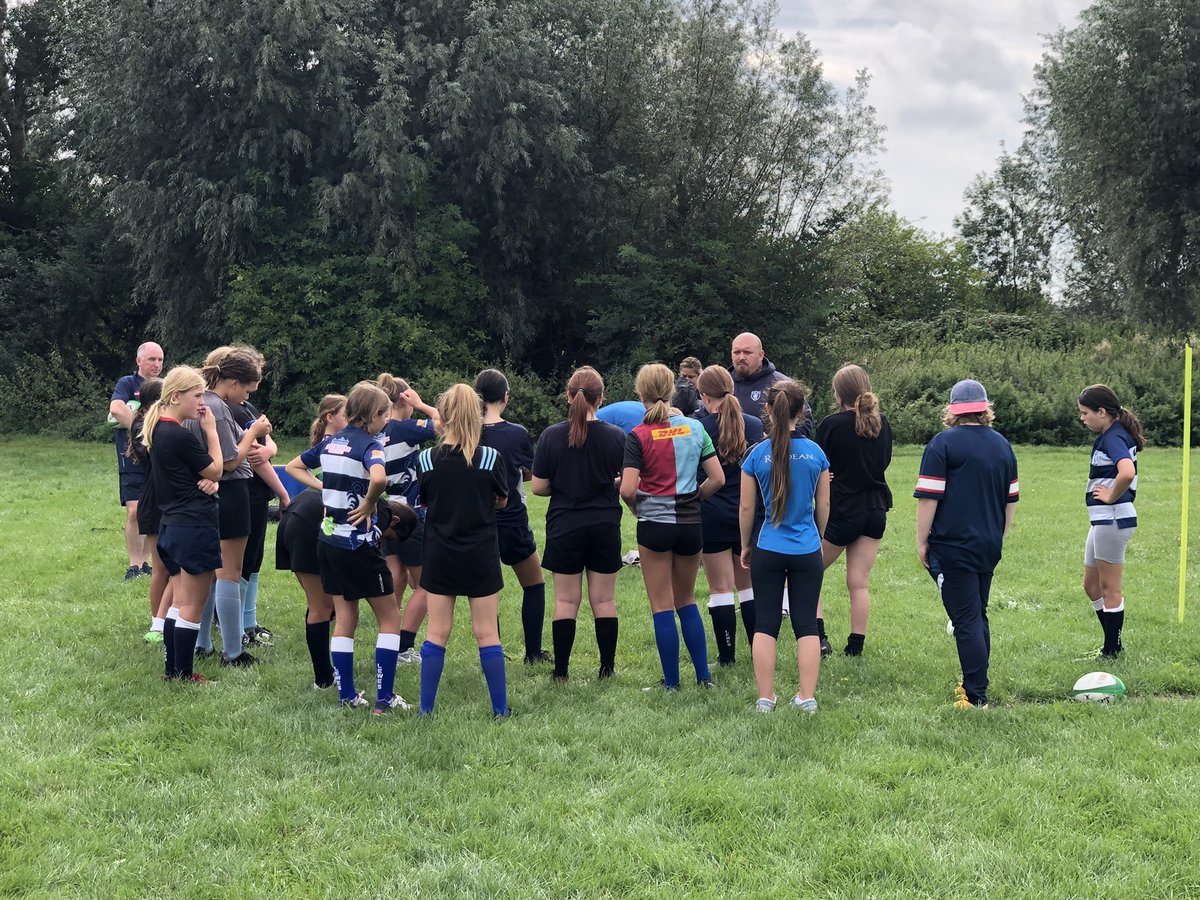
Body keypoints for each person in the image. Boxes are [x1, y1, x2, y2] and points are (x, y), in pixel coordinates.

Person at [291, 381, 410, 714]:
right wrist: (371, 502)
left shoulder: (330, 443)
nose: (386, 421)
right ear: (372, 415)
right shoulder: (371, 445)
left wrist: (324, 487)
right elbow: (379, 478)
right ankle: (385, 699)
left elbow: (295, 466)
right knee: (390, 617)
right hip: (359, 544)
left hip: (327, 542)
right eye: (385, 415)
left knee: (345, 618)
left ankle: (347, 695)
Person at [914, 380, 1019, 709]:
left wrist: (921, 541)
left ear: (953, 411)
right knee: (976, 614)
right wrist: (998, 535)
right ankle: (975, 683)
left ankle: (976, 695)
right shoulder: (1002, 445)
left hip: (953, 544)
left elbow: (929, 499)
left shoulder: (942, 444)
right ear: (985, 409)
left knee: (966, 620)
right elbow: (1011, 500)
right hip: (988, 543)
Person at [619, 363, 725, 691]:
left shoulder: (638, 435)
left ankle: (672, 683)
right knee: (687, 600)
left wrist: (637, 507)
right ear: (672, 392)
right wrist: (695, 498)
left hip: (655, 526)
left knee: (661, 605)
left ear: (641, 394)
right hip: (691, 524)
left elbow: (627, 489)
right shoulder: (695, 428)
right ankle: (704, 677)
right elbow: (717, 478)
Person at [415, 384, 512, 717]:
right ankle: (500, 710)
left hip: (440, 554)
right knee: (487, 632)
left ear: (442, 417)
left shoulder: (426, 460)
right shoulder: (490, 458)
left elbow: (426, 502)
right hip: (480, 554)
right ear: (477, 416)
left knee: (436, 632)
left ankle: (425, 710)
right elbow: (502, 500)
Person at [739, 380, 830, 713]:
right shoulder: (816, 454)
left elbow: (746, 508)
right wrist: (818, 537)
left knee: (765, 624)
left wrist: (745, 545)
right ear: (801, 410)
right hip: (806, 548)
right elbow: (824, 505)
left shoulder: (756, 454)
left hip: (768, 547)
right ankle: (807, 698)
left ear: (767, 410)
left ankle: (766, 698)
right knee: (806, 625)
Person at [531, 366, 626, 683]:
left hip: (565, 525)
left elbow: (538, 487)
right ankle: (607, 669)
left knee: (565, 601)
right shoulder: (616, 436)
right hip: (604, 524)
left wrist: (563, 485)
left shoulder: (550, 436)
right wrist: (608, 483)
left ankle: (561, 672)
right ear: (601, 398)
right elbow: (626, 481)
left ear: (568, 396)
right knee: (604, 601)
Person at [183, 348, 272, 668]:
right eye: (247, 391)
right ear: (233, 383)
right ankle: (233, 651)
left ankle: (202, 643)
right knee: (229, 574)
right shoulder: (218, 408)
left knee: (209, 573)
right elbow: (230, 461)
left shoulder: (199, 402)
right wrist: (254, 433)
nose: (247, 398)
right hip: (231, 492)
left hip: (206, 494)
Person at [277, 488, 416, 690]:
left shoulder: (366, 498)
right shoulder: (382, 512)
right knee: (321, 609)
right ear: (394, 521)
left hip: (292, 516)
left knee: (318, 606)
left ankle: (325, 677)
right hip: (310, 523)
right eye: (389, 538)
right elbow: (362, 553)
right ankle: (324, 679)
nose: (384, 542)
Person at [141, 365, 224, 683]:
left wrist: (208, 481)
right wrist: (211, 431)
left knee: (179, 601)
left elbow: (195, 474)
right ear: (176, 397)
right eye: (198, 395)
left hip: (172, 526)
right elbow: (215, 469)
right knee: (192, 603)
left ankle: (172, 671)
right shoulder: (179, 435)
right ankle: (184, 674)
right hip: (194, 526)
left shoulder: (159, 430)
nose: (202, 403)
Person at [813, 364, 893, 658]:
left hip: (841, 509)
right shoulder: (882, 423)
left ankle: (819, 637)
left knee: (809, 572)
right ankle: (855, 646)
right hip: (874, 508)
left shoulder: (831, 425)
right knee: (859, 582)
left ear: (838, 393)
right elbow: (884, 462)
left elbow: (819, 465)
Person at [476, 368, 551, 665]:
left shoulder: (469, 433)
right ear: (505, 396)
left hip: (478, 522)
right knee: (534, 584)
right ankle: (533, 652)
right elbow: (531, 472)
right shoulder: (516, 433)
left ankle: (491, 652)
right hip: (512, 519)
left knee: (487, 590)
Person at [695, 365, 764, 665]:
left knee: (720, 589)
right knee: (748, 587)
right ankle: (757, 650)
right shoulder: (754, 425)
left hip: (710, 514)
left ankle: (726, 657)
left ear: (704, 396)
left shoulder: (698, 427)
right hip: (746, 516)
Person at [228, 347, 292, 650]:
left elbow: (267, 446)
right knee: (244, 562)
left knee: (254, 560)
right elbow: (255, 457)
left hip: (256, 493)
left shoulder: (246, 407)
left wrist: (270, 448)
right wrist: (283, 492)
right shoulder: (236, 410)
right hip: (248, 491)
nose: (252, 391)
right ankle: (240, 625)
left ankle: (249, 621)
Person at [375, 374, 441, 665]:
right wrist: (423, 405)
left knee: (396, 575)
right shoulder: (404, 428)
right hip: (410, 515)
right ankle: (403, 646)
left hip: (386, 512)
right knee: (426, 584)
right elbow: (445, 425)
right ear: (404, 399)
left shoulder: (378, 430)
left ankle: (388, 637)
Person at [1077, 384, 1144, 659]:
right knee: (1091, 586)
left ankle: (1112, 651)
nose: (1082, 418)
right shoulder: (1110, 434)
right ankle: (1112, 644)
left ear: (1102, 411)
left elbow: (1126, 472)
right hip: (1102, 522)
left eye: (1085, 413)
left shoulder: (1114, 436)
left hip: (1113, 519)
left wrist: (1110, 496)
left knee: (1109, 589)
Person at [109, 341, 164, 579]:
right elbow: (116, 408)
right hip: (130, 454)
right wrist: (141, 428)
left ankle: (147, 563)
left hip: (157, 455)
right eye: (152, 359)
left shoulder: (165, 386)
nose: (157, 364)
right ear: (139, 360)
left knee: (152, 507)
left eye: (160, 360)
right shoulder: (127, 383)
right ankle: (134, 564)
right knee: (134, 510)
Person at [729, 332, 812, 435]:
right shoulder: (722, 384)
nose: (741, 357)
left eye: (747, 352)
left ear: (761, 355)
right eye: (737, 352)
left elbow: (804, 421)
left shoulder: (780, 384)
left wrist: (774, 440)